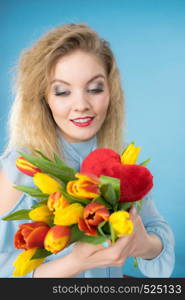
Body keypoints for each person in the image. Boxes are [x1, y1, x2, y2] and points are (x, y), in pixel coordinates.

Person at [0, 23, 175, 278]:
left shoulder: (121, 157)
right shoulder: (17, 169)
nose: (81, 105)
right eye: (62, 91)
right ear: (43, 99)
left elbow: (157, 232)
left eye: (95, 89)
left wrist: (144, 244)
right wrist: (75, 263)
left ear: (110, 92)